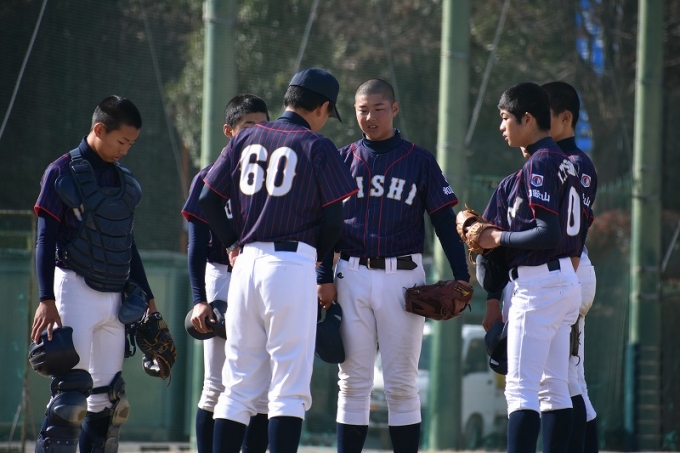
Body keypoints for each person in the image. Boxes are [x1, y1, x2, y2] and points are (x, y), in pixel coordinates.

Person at [198, 68, 358, 453]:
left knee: (237, 387)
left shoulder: (245, 136)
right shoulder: (316, 145)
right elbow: (334, 221)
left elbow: (207, 201)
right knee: (288, 389)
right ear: (321, 107)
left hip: (245, 264)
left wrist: (232, 243)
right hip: (290, 263)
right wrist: (316, 262)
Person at [316, 78, 470, 453]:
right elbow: (327, 225)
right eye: (362, 110)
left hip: (403, 279)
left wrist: (462, 275)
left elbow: (444, 222)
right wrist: (323, 276)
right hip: (350, 274)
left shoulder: (420, 160)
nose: (370, 117)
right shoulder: (342, 158)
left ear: (394, 109)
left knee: (401, 383)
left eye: (378, 109)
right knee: (353, 382)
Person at [31, 95, 158, 453]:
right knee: (69, 401)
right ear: (99, 129)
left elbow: (127, 244)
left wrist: (148, 296)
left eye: (131, 144)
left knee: (110, 402)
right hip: (74, 290)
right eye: (121, 141)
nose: (125, 150)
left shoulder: (124, 181)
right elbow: (45, 238)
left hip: (116, 299)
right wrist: (46, 298)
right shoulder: (61, 171)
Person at [474, 82, 583, 453]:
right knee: (555, 389)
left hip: (539, 286)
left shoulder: (539, 163)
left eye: (506, 118)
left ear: (528, 119)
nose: (502, 126)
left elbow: (546, 232)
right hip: (564, 282)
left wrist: (497, 238)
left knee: (521, 391)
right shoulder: (566, 163)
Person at [181, 94, 270, 453]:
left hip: (263, 276)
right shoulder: (208, 178)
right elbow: (196, 248)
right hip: (222, 277)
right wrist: (199, 300)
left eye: (262, 125)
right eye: (248, 125)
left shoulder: (273, 178)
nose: (256, 132)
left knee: (262, 388)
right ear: (229, 130)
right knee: (217, 384)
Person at [542, 81, 599, 453]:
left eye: (542, 115)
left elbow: (567, 230)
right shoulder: (547, 159)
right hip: (561, 272)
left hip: (570, 271)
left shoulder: (576, 163)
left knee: (564, 381)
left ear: (566, 118)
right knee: (570, 380)